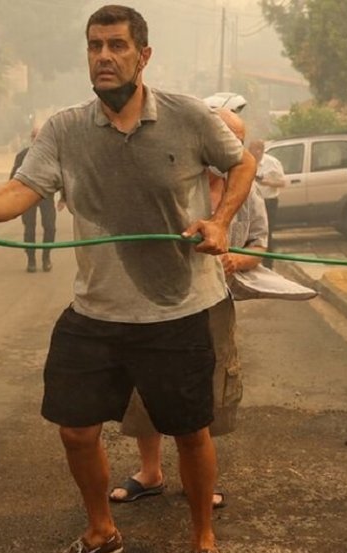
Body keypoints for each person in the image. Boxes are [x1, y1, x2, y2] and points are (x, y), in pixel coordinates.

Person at [0, 6, 256, 553]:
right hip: (97, 311)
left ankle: (203, 542)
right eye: (95, 45)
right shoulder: (67, 128)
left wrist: (220, 222)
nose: (104, 56)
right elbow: (21, 191)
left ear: (143, 56)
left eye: (117, 46)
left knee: (191, 432)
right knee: (74, 429)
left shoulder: (189, 117)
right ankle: (102, 532)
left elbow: (241, 164)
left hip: (178, 309)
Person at [110, 108, 266, 511]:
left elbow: (260, 249)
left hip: (213, 302)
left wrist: (236, 259)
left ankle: (199, 480)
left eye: (236, 140)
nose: (228, 148)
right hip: (156, 299)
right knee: (145, 383)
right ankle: (150, 472)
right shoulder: (175, 182)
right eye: (222, 136)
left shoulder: (247, 191)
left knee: (205, 389)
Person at [11, 126, 57, 272]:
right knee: (29, 228)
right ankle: (31, 260)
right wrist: (12, 198)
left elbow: (60, 174)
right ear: (31, 139)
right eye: (35, 137)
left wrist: (64, 196)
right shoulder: (22, 155)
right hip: (27, 197)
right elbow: (13, 178)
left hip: (46, 195)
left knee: (50, 227)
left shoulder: (53, 155)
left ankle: (46, 257)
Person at [248, 139, 285, 269]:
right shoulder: (248, 161)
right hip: (252, 202)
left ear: (260, 150)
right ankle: (252, 262)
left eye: (252, 149)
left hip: (268, 201)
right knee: (251, 233)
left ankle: (268, 265)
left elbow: (282, 183)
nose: (250, 151)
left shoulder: (273, 163)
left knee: (267, 234)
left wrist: (268, 182)